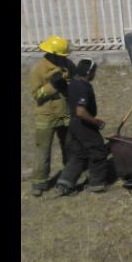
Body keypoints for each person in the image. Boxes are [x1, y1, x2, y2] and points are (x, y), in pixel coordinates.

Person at [28, 35, 74, 197]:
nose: (63, 59)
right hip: (46, 115)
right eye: (60, 56)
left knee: (69, 146)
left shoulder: (68, 66)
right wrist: (52, 86)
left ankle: (69, 176)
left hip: (66, 114)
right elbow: (37, 95)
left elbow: (74, 85)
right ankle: (39, 182)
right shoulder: (38, 70)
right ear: (52, 54)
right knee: (43, 150)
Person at [56, 59, 110, 195]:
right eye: (94, 72)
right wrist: (95, 122)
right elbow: (81, 111)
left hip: (73, 123)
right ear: (89, 72)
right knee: (98, 151)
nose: (94, 74)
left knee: (78, 154)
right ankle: (97, 184)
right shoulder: (83, 87)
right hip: (83, 124)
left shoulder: (73, 83)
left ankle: (65, 183)